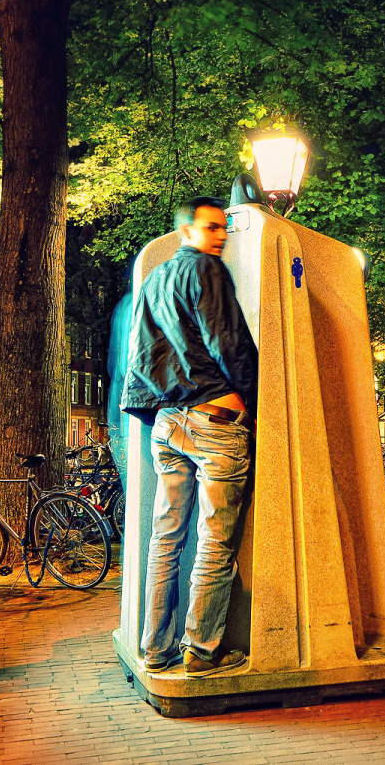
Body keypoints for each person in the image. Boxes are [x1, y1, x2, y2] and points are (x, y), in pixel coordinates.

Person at [121, 196, 258, 678]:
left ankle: (154, 649)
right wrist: (254, 399)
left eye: (224, 229)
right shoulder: (208, 271)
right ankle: (201, 651)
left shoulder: (155, 278)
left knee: (165, 538)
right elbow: (229, 340)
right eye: (212, 228)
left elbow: (141, 351)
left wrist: (149, 407)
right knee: (215, 543)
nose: (221, 236)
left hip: (168, 423)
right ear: (187, 231)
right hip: (215, 423)